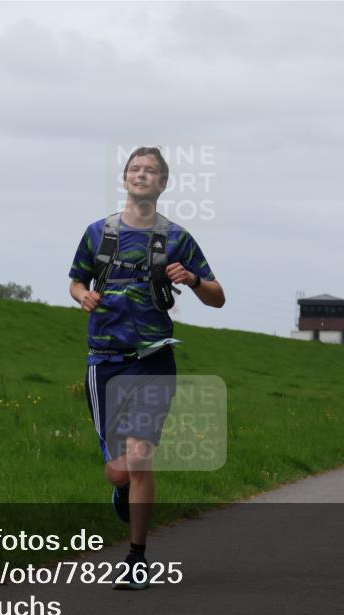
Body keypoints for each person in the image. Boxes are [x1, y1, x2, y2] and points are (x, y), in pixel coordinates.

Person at [69, 147, 225, 589]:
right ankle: (121, 490)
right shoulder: (98, 233)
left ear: (162, 184)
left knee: (140, 456)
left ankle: (136, 556)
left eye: (151, 170)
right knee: (119, 470)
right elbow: (76, 280)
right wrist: (82, 295)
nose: (142, 175)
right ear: (124, 179)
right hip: (104, 360)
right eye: (135, 168)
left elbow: (217, 296)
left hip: (154, 359)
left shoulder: (177, 238)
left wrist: (192, 280)